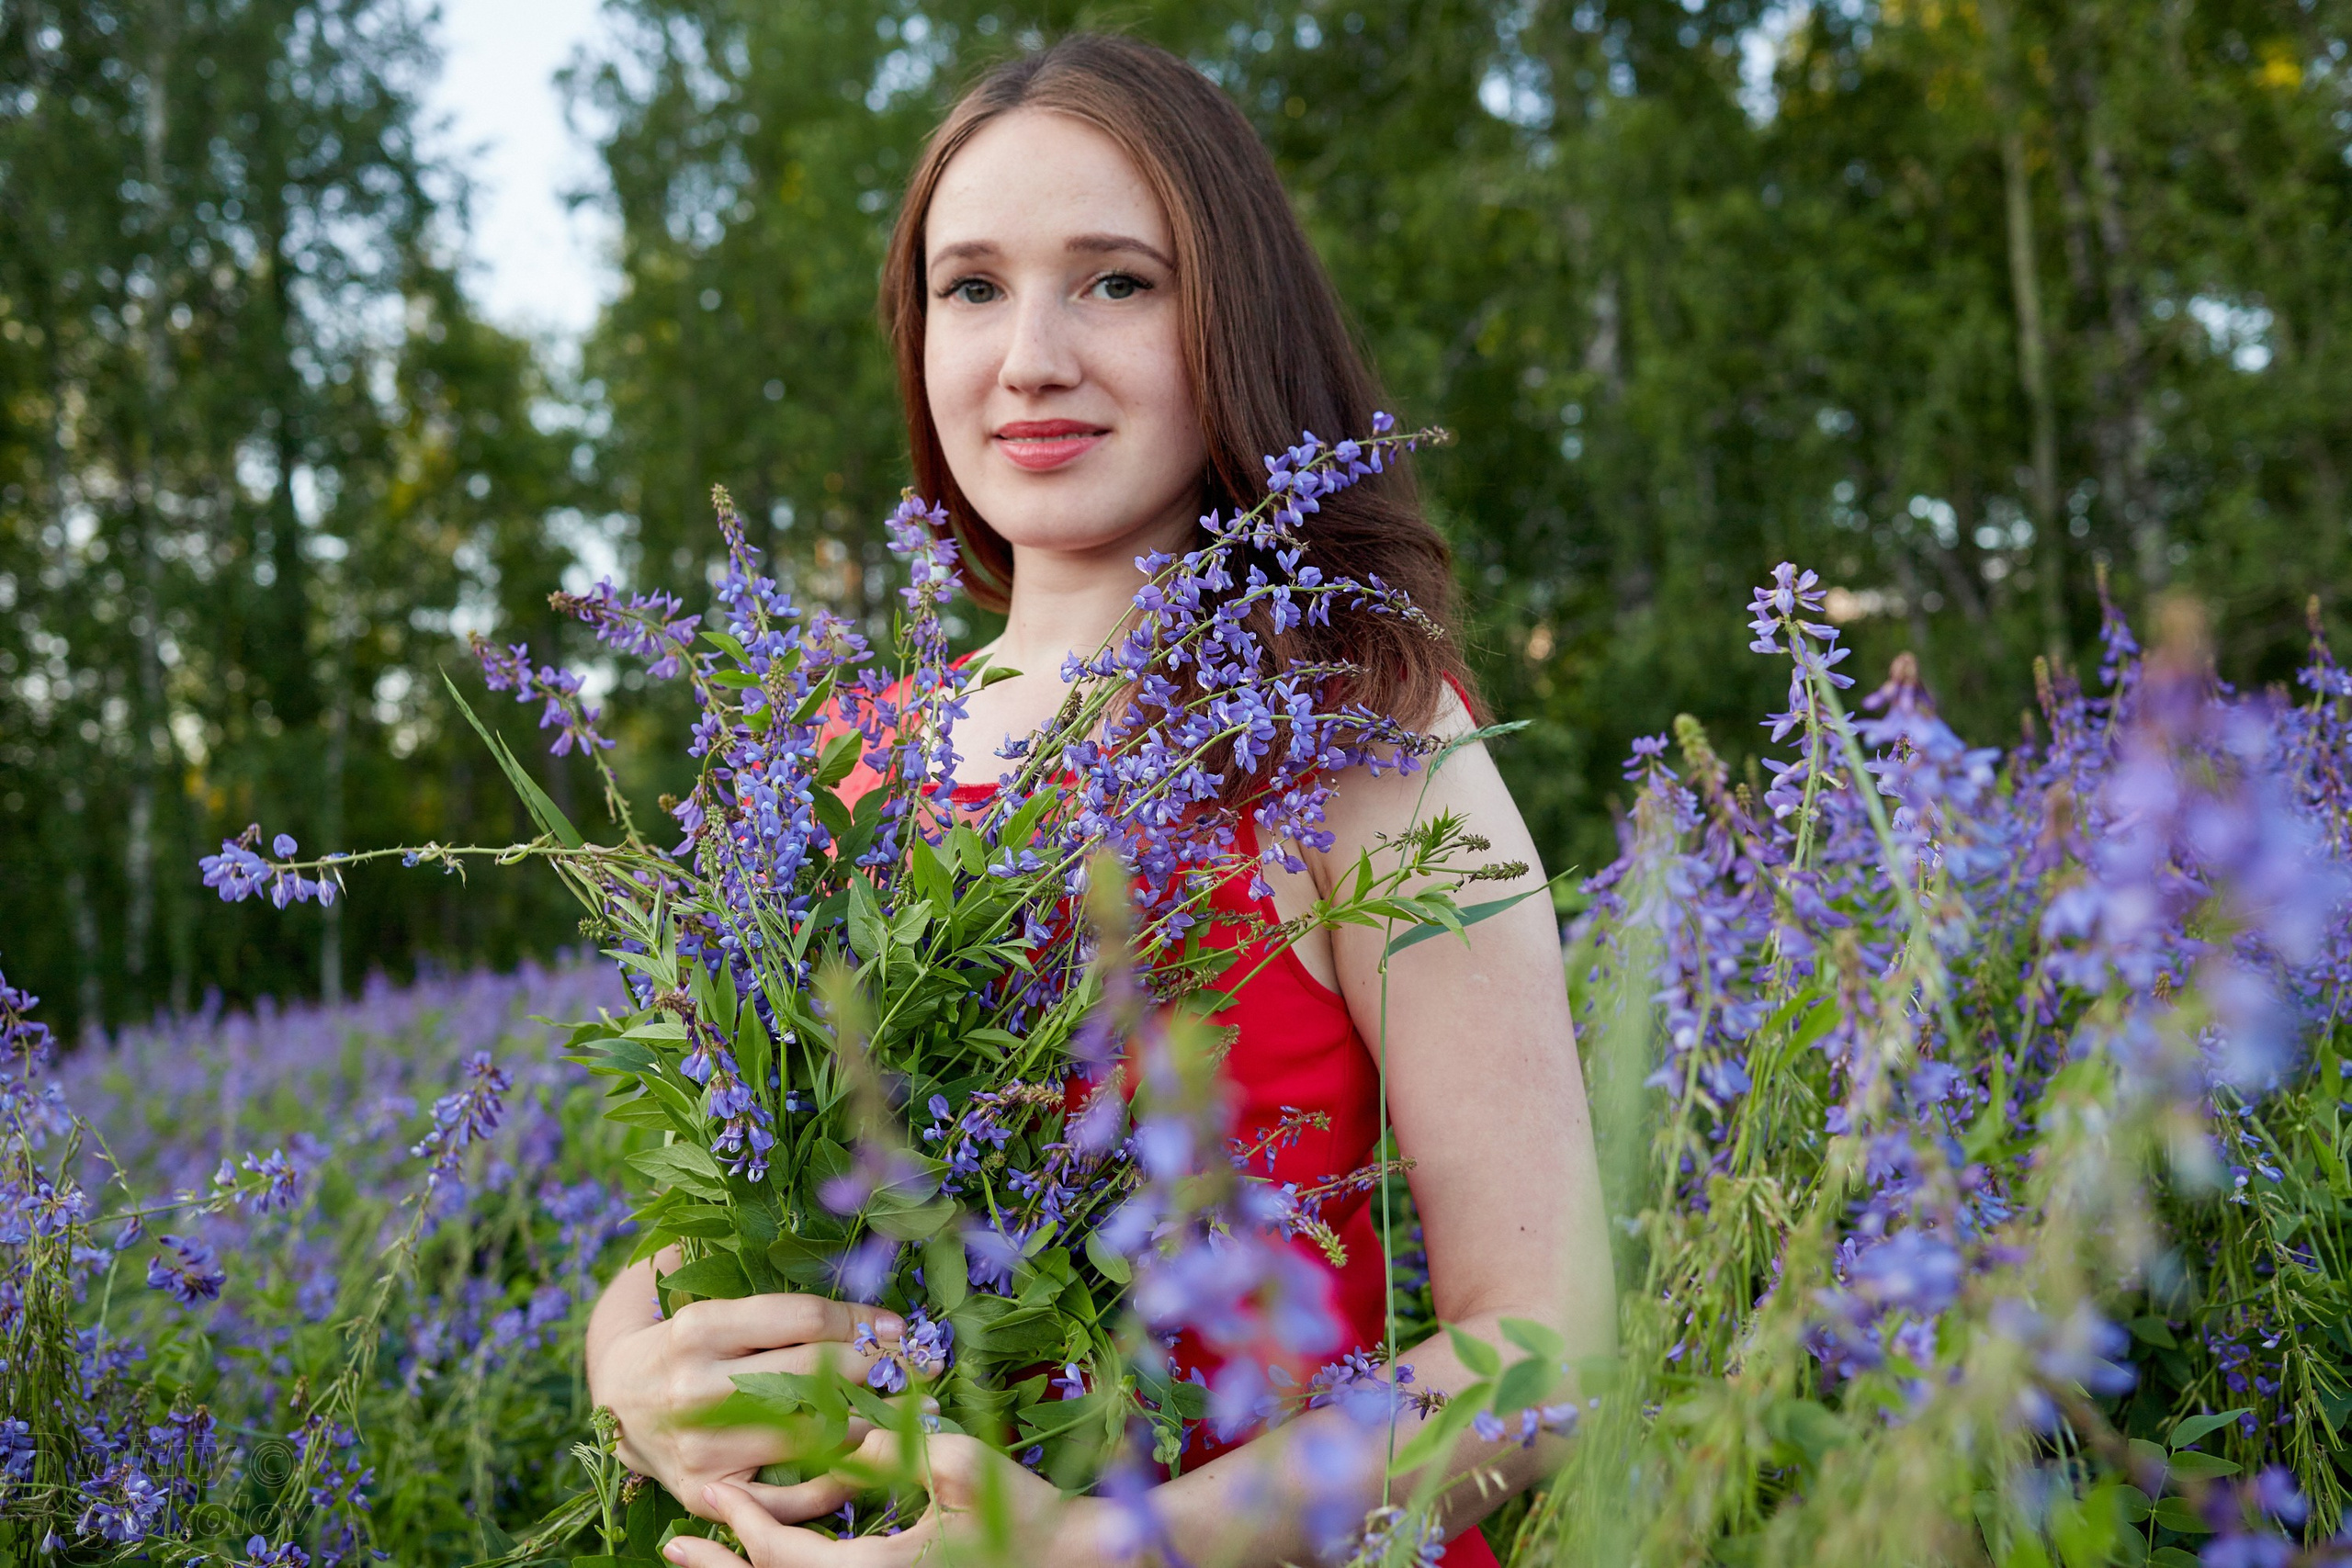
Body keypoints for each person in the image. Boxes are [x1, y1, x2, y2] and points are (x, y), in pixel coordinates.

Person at [583, 33, 1613, 1568]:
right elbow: (741, 1199)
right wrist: (630, 1370)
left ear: (1234, 316)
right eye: (972, 286)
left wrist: (1087, 1552)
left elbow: (1546, 1355)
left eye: (1117, 281)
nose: (1031, 358)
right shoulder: (845, 763)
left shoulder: (1362, 741)